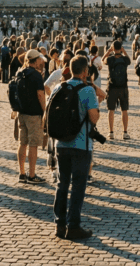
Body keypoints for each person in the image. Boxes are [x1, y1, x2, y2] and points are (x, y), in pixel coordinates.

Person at [50, 55, 100, 241]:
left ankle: (59, 224)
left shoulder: (58, 87)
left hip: (61, 143)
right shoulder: (87, 90)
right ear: (86, 71)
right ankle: (73, 226)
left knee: (62, 184)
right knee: (78, 185)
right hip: (81, 144)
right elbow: (93, 118)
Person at [15, 50, 48, 183]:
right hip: (34, 114)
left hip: (21, 113)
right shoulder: (36, 75)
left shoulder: (19, 72)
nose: (42, 61)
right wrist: (45, 111)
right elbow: (40, 95)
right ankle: (32, 175)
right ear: (35, 60)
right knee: (33, 144)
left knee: (22, 143)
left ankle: (22, 173)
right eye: (40, 59)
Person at [102, 40, 131, 138]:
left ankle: (111, 132)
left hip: (112, 86)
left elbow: (103, 59)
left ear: (113, 48)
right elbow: (129, 60)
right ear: (121, 48)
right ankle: (125, 132)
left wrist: (109, 51)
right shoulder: (124, 59)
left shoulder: (110, 59)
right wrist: (124, 51)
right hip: (123, 87)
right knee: (124, 110)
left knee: (111, 110)